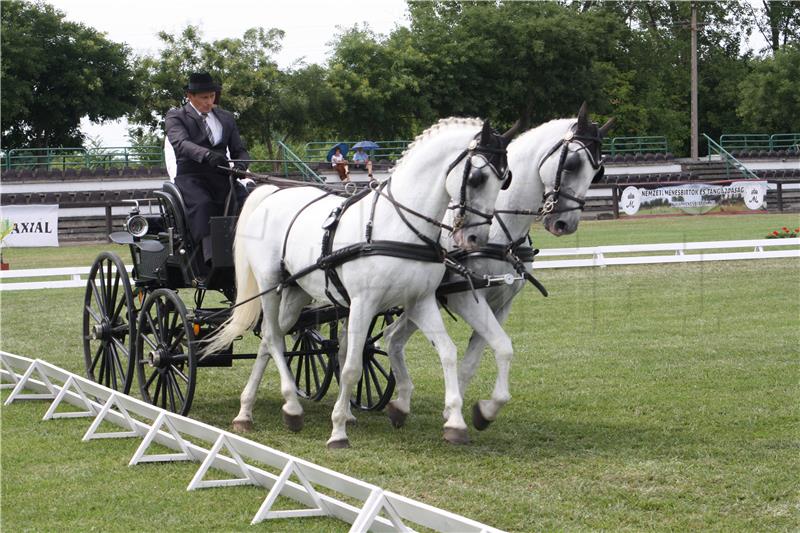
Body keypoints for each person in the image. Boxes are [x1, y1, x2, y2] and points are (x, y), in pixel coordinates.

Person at [165, 72, 250, 271]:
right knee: (203, 204)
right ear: (190, 96)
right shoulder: (176, 116)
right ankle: (210, 257)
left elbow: (240, 150)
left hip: (222, 177)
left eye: (212, 96)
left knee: (246, 200)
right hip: (191, 177)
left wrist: (240, 165)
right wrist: (206, 155)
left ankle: (248, 249)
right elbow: (181, 143)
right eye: (204, 97)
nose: (209, 102)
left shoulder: (226, 118)